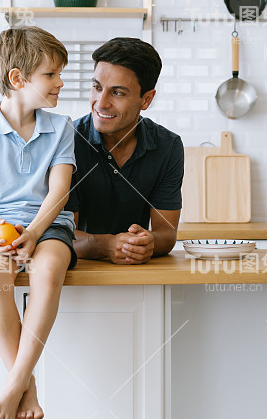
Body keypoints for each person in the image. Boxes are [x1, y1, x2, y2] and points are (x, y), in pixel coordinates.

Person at [0, 26, 76, 419]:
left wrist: (36, 232)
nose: (61, 82)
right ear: (17, 78)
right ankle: (24, 385)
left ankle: (15, 384)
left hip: (50, 224)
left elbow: (59, 191)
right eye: (52, 74)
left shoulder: (61, 128)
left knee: (48, 269)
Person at [66, 37, 184, 264]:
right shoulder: (67, 141)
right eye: (97, 87)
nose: (101, 103)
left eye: (117, 93)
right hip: (77, 275)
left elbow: (167, 234)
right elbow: (63, 235)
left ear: (146, 99)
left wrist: (147, 242)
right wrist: (106, 245)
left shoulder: (168, 147)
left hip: (138, 275)